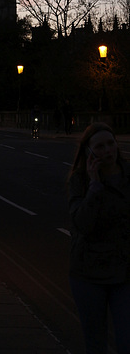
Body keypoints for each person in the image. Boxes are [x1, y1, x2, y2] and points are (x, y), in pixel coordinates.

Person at [67, 122, 130, 354]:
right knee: (95, 343)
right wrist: (94, 185)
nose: (107, 150)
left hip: (124, 272)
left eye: (110, 143)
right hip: (88, 273)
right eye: (100, 146)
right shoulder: (80, 181)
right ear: (89, 151)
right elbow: (82, 224)